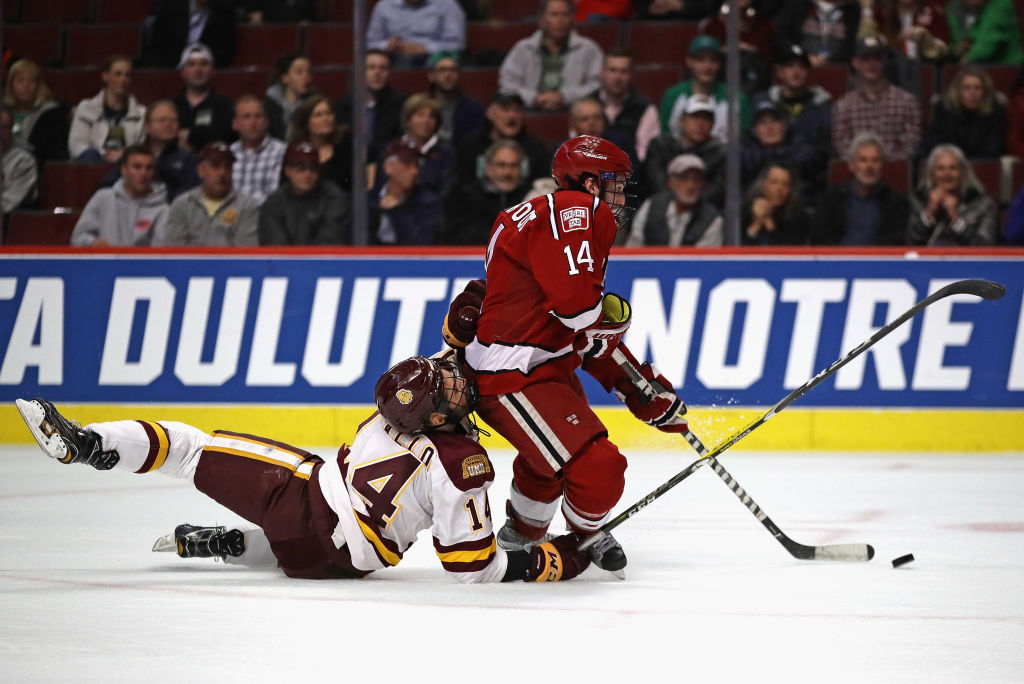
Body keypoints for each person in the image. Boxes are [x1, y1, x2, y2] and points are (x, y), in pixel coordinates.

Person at [13, 355, 591, 583]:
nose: (457, 381)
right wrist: (554, 561)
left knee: (190, 448)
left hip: (305, 506)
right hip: (339, 564)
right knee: (293, 524)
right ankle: (227, 543)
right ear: (433, 415)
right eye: (446, 384)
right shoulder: (463, 463)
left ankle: (84, 445)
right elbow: (470, 565)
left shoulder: (402, 417)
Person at [446, 136, 690, 576]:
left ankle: (523, 533)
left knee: (549, 461)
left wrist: (642, 391)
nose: (620, 195)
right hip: (512, 374)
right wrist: (633, 374)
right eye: (615, 183)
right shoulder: (579, 214)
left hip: (541, 363)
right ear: (591, 183)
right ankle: (585, 533)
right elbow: (580, 312)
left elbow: (576, 328)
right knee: (599, 466)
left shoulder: (543, 216)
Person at [498, 0, 604, 111]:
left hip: (575, 113)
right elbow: (507, 84)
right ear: (542, 19)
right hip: (528, 112)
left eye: (565, 15)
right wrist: (535, 98)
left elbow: (597, 85)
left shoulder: (589, 48)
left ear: (572, 18)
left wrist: (564, 96)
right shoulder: (523, 48)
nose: (560, 20)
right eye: (554, 15)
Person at [832, 35, 922, 161]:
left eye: (877, 58)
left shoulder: (906, 102)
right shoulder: (844, 105)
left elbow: (912, 145)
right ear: (855, 63)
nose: (871, 64)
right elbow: (842, 147)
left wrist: (880, 163)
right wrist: (865, 164)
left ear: (884, 61)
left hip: (895, 171)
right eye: (865, 59)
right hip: (858, 174)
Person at [811, 133, 910, 245]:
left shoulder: (896, 202)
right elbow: (819, 239)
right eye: (863, 160)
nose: (869, 166)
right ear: (851, 165)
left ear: (882, 165)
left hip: (877, 261)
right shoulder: (830, 199)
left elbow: (896, 241)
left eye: (875, 160)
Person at [154, 142, 260, 246]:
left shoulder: (247, 206)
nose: (222, 173)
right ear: (201, 171)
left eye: (227, 167)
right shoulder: (182, 204)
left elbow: (245, 254)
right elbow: (174, 249)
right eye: (215, 166)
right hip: (189, 264)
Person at [100, 100, 200, 201]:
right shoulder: (133, 154)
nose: (168, 124)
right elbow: (107, 185)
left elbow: (192, 192)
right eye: (162, 120)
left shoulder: (189, 158)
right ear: (147, 127)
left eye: (173, 120)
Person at [659, 35, 752, 144]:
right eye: (701, 60)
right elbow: (665, 135)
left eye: (713, 60)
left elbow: (743, 139)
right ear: (689, 62)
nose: (707, 67)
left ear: (720, 64)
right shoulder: (672, 96)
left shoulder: (737, 98)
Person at [70, 145, 168, 247]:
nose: (143, 173)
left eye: (149, 168)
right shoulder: (102, 198)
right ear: (124, 170)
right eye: (137, 167)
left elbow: (159, 252)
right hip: (106, 262)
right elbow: (78, 238)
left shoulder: (163, 209)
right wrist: (93, 242)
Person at [757, 43, 833, 176]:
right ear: (779, 71)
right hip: (768, 174)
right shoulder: (763, 102)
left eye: (802, 67)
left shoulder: (822, 105)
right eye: (790, 66)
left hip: (809, 178)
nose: (796, 72)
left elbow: (824, 149)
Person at [258, 141, 351, 245]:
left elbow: (329, 244)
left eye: (312, 168)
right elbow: (277, 248)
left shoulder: (334, 198)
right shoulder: (274, 203)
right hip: (285, 261)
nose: (307, 174)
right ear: (288, 171)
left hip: (323, 260)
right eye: (300, 169)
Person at [455, 91, 552, 187]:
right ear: (490, 113)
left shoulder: (535, 149)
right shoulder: (471, 146)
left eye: (517, 110)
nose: (512, 116)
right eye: (505, 109)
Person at [906, 143, 996, 245]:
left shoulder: (981, 204)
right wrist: (929, 213)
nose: (947, 174)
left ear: (962, 172)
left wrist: (957, 221)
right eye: (941, 168)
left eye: (953, 168)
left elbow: (986, 247)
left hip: (965, 260)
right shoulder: (918, 201)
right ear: (931, 174)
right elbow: (910, 243)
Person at [625, 153, 723, 247]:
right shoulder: (651, 206)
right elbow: (634, 248)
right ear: (670, 182)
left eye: (697, 180)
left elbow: (703, 260)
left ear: (704, 185)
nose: (690, 186)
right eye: (684, 178)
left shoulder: (712, 219)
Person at [442, 139, 529, 244]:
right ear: (488, 167)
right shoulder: (465, 197)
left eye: (513, 165)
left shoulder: (530, 198)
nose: (507, 172)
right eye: (501, 165)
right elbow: (458, 234)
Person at [645, 94, 725, 206]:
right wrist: (675, 204)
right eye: (695, 117)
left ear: (713, 124)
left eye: (706, 119)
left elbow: (716, 191)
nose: (700, 124)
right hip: (661, 207)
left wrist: (689, 205)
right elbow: (655, 182)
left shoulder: (721, 153)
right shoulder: (661, 146)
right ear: (681, 120)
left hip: (702, 212)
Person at [67, 55, 146, 163]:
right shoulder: (86, 108)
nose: (123, 79)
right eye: (118, 74)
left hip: (126, 166)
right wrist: (104, 155)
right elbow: (76, 144)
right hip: (92, 164)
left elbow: (140, 147)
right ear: (105, 76)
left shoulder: (141, 113)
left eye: (127, 75)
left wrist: (124, 155)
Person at [334, 49, 408, 164]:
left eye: (383, 68)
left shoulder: (401, 104)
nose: (377, 73)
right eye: (371, 67)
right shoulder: (343, 106)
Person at [920, 65, 1007, 159]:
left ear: (985, 91)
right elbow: (932, 144)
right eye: (966, 88)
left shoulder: (995, 111)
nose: (972, 94)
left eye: (978, 88)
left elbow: (992, 149)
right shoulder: (944, 109)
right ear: (958, 91)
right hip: (950, 165)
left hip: (982, 164)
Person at [588, 50, 660, 163]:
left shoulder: (645, 108)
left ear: (632, 75)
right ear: (602, 72)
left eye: (623, 72)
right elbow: (576, 141)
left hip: (628, 170)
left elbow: (644, 154)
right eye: (612, 70)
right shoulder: (587, 104)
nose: (617, 77)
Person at [370, 138, 443, 244]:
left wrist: (397, 211)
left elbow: (421, 244)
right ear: (388, 167)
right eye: (407, 164)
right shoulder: (369, 200)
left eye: (417, 164)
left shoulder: (428, 203)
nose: (415, 171)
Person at [387, 93, 457, 198]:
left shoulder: (446, 154)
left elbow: (446, 190)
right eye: (420, 115)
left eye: (431, 117)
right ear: (408, 120)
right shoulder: (392, 149)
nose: (426, 121)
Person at [2, 58, 70, 166]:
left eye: (32, 81)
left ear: (38, 86)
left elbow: (50, 154)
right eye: (20, 80)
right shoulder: (4, 113)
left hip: (32, 168)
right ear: (11, 85)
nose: (26, 86)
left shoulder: (51, 115)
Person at [173, 44, 237, 152]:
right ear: (183, 72)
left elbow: (226, 134)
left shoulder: (224, 105)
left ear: (212, 71)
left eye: (204, 63)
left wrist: (191, 135)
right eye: (191, 64)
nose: (198, 69)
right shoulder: (173, 105)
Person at [366, 0, 467, 68]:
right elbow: (371, 43)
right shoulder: (384, 6)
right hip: (394, 59)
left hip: (433, 60)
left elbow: (457, 44)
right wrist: (387, 45)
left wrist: (425, 49)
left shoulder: (447, 4)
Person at [291, 95, 355, 195]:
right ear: (306, 123)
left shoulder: (346, 147)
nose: (325, 119)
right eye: (318, 115)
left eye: (328, 113)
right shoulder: (296, 151)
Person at [145, 0, 237, 68]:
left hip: (205, 72)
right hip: (171, 69)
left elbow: (224, 52)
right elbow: (157, 47)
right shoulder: (171, 7)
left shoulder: (224, 12)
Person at [230, 95, 287, 202]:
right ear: (235, 124)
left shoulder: (282, 152)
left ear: (266, 122)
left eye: (258, 116)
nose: (253, 123)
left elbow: (277, 198)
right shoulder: (228, 154)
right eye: (246, 117)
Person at [774, 0, 862, 66]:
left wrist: (830, 61)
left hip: (838, 70)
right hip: (802, 68)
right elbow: (781, 38)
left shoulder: (852, 8)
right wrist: (804, 57)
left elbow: (853, 44)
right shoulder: (797, 4)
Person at [741, 163, 811, 245]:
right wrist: (756, 224)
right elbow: (733, 253)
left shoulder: (799, 218)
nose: (778, 190)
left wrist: (769, 222)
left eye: (785, 184)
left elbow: (788, 255)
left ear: (791, 190)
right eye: (774, 182)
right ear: (763, 185)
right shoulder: (744, 213)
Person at [427, 53, 486, 147]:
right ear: (431, 76)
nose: (448, 74)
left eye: (452, 70)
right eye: (442, 70)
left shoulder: (473, 108)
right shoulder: (423, 106)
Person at [946, 0, 1024, 64]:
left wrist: (966, 60)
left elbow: (989, 41)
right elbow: (960, 39)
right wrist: (959, 49)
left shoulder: (1001, 4)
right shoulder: (954, 8)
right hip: (973, 60)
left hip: (1006, 65)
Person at [264, 53, 316, 142]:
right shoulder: (268, 106)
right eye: (299, 72)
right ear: (285, 78)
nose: (306, 77)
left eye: (309, 72)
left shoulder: (315, 103)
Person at [1, 109, 39, 214]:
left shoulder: (24, 161)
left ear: (12, 129)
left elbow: (8, 204)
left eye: (4, 127)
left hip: (14, 224)